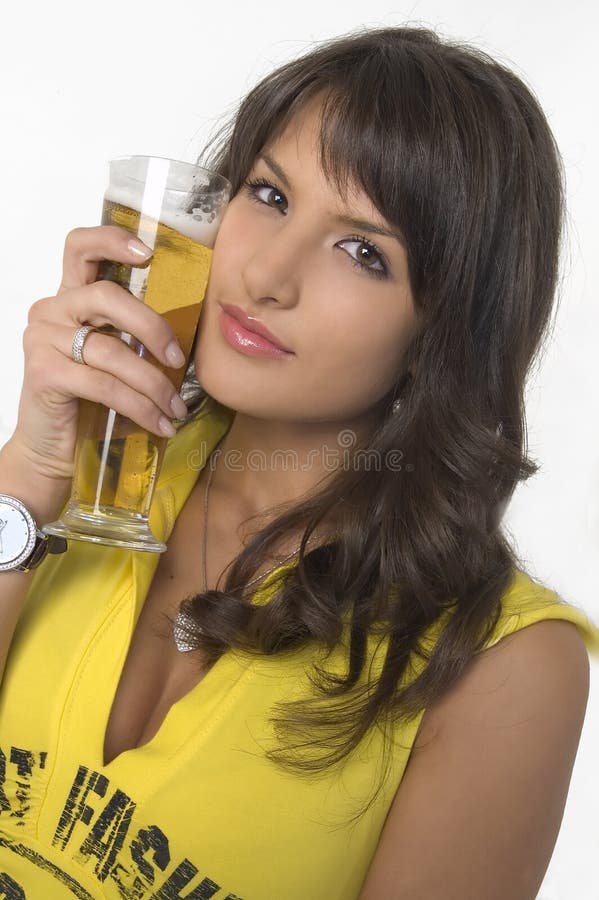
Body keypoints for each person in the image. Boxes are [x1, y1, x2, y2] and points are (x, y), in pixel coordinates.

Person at [0, 24, 597, 900]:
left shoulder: (500, 665)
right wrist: (25, 474)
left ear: (443, 332)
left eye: (363, 252)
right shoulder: (94, 479)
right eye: (270, 195)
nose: (268, 275)